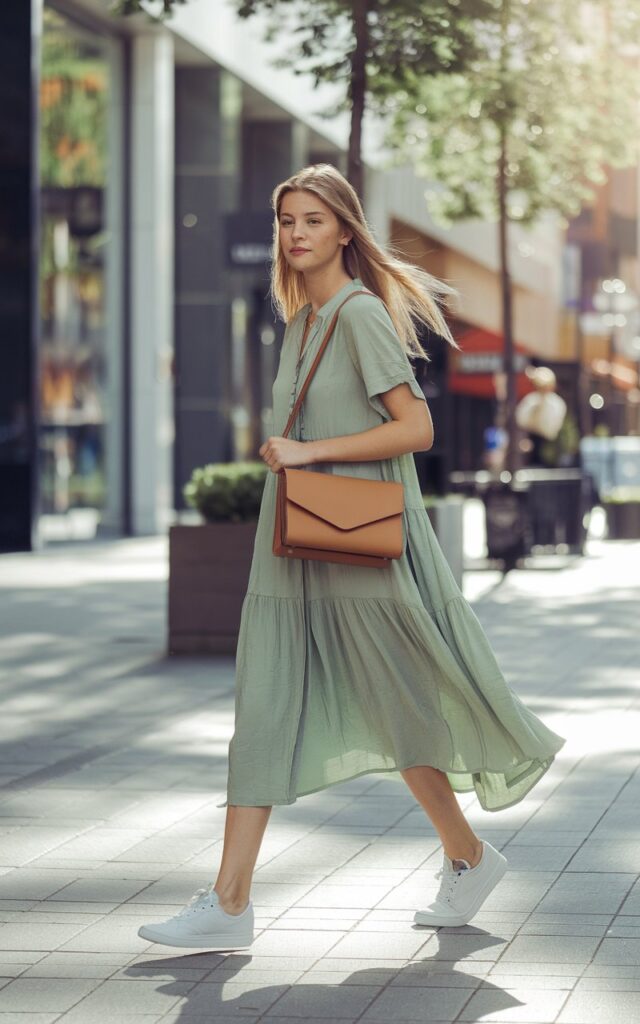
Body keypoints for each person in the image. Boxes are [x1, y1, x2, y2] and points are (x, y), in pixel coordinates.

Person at [138, 164, 565, 951]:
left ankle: (468, 855)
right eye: (286, 221)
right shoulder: (300, 323)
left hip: (358, 549)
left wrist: (310, 450)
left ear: (344, 229)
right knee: (262, 705)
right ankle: (230, 904)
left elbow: (417, 429)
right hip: (295, 548)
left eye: (311, 220)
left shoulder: (360, 315)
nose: (295, 234)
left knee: (402, 710)